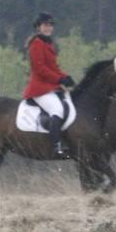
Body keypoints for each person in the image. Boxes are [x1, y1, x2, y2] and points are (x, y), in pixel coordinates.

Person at [23, 12, 75, 158]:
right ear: (38, 27)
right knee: (57, 110)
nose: (49, 28)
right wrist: (59, 80)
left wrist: (66, 77)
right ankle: (55, 146)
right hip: (39, 89)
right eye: (46, 25)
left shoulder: (48, 43)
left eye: (50, 25)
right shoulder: (36, 44)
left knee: (68, 104)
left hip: (50, 88)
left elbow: (54, 67)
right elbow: (40, 69)